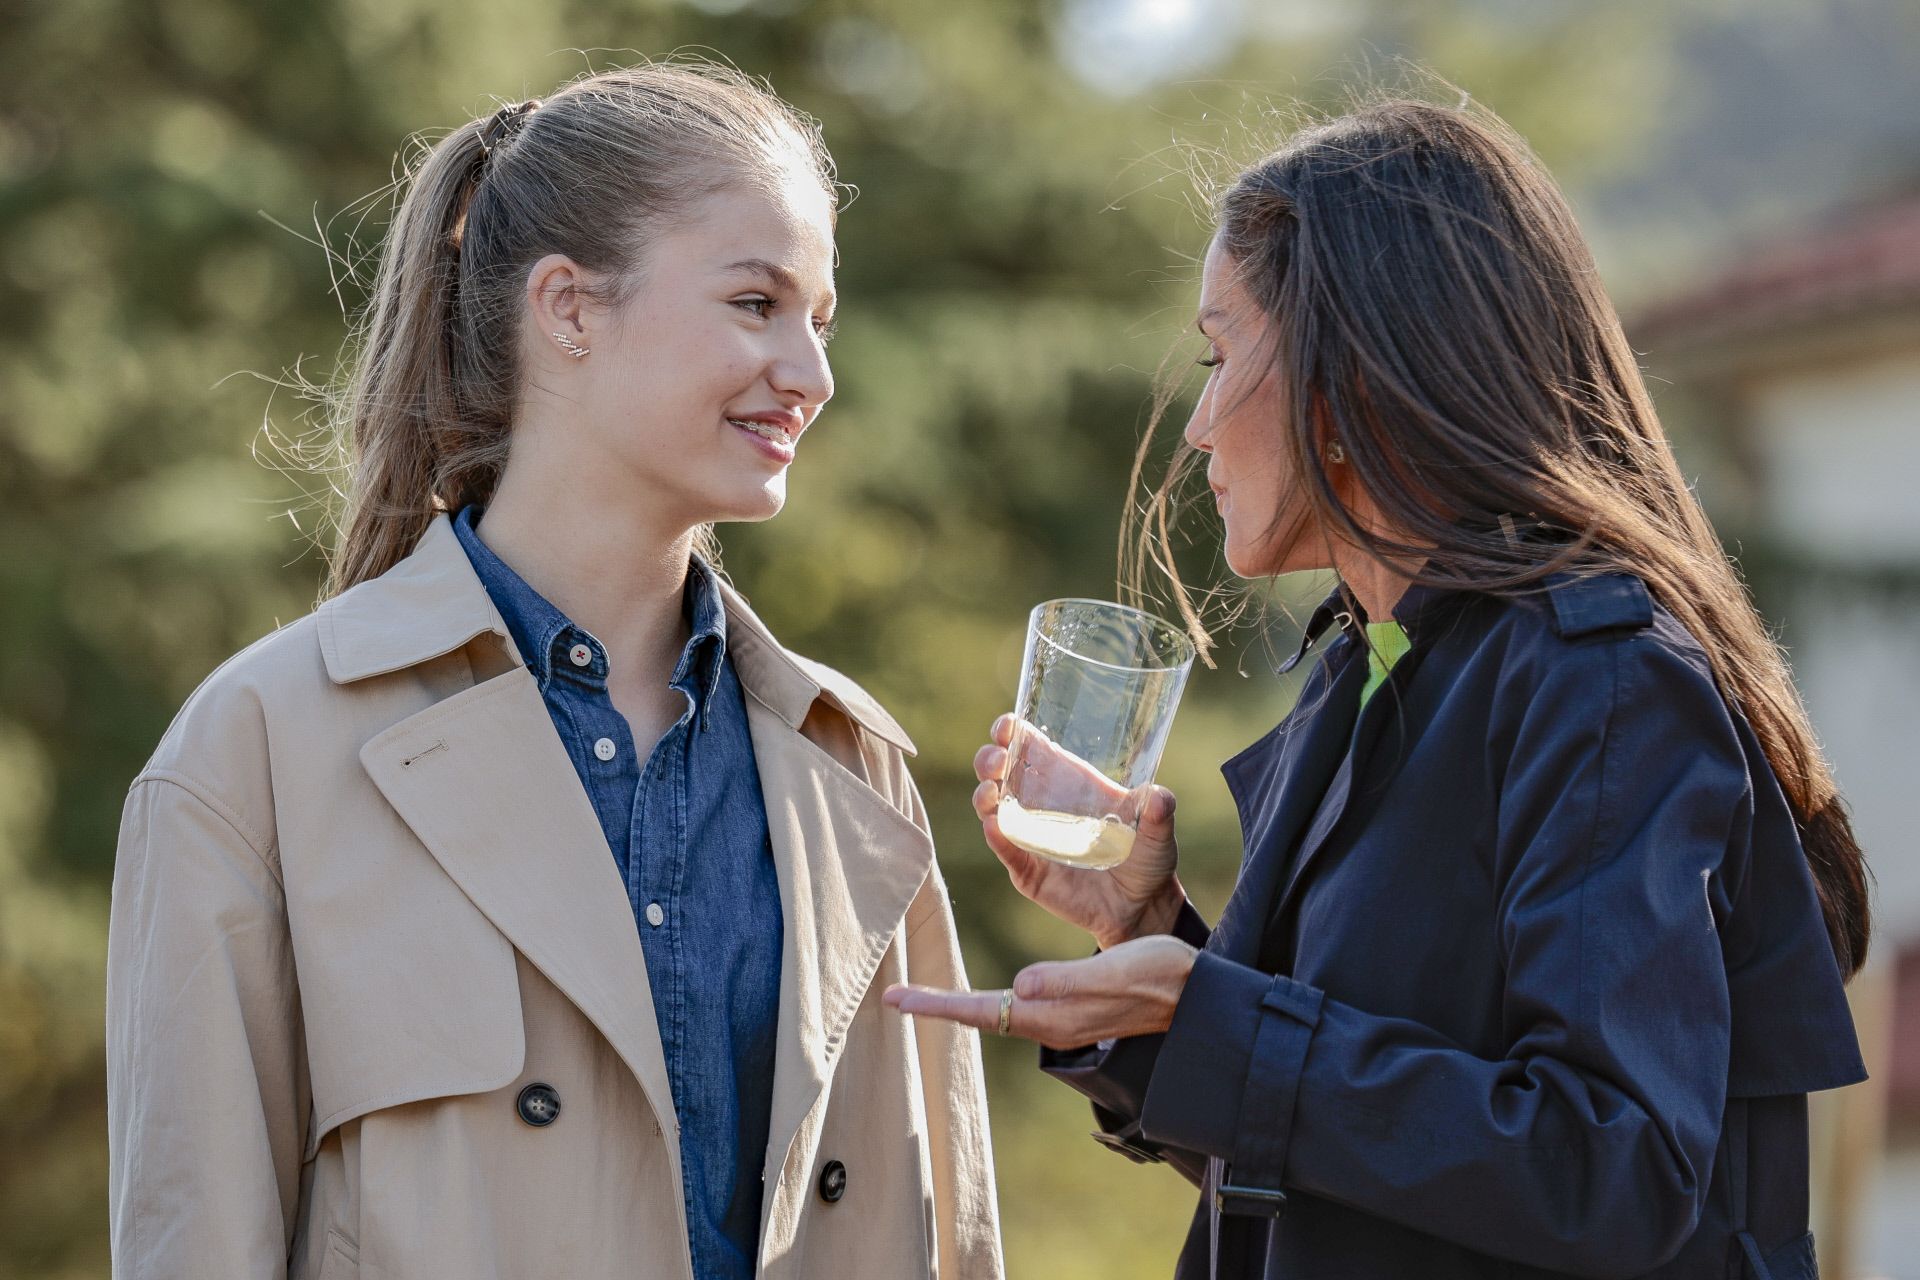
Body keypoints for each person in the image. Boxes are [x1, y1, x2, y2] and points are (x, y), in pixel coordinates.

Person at [885, 97, 1868, 1280]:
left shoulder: (1603, 680)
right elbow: (1349, 1179)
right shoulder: (1370, 659)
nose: (1197, 423)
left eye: (1218, 352)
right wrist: (1148, 941)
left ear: (1350, 369)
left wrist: (1211, 1012)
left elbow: (1614, 1172)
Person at [106, 62, 1002, 1280]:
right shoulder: (257, 748)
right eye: (756, 302)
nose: (811, 373)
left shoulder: (854, 765)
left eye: (820, 319)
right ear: (570, 308)